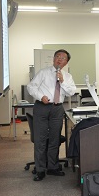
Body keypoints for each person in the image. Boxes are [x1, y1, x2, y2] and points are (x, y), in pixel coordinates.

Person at [26, 49, 76, 181]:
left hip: (57, 108)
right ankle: (40, 169)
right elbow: (31, 87)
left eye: (63, 58)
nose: (60, 59)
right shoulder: (43, 72)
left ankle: (52, 167)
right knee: (40, 140)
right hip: (42, 107)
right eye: (58, 56)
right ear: (53, 59)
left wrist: (62, 81)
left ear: (66, 62)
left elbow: (71, 92)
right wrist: (40, 96)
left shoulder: (67, 77)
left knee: (55, 139)